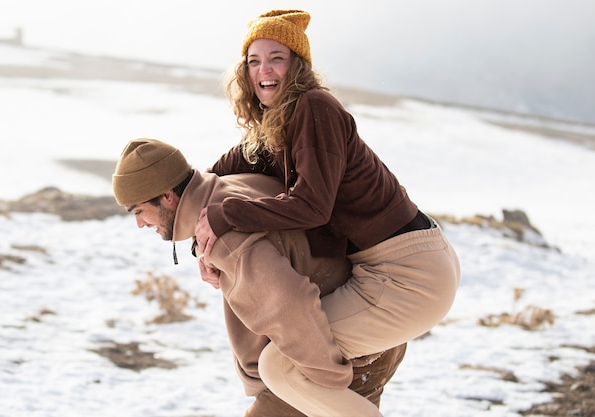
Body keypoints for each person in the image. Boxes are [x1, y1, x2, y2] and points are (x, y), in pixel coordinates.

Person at [194, 9, 461, 416]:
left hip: (410, 273)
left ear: (297, 65)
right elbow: (227, 167)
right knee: (293, 368)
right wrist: (201, 235)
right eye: (253, 60)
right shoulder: (279, 124)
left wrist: (228, 215)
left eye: (276, 58)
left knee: (282, 364)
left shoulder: (314, 107)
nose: (263, 69)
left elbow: (312, 207)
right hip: (387, 268)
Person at [112, 138, 407, 417]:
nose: (139, 224)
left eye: (140, 211)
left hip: (325, 355)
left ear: (167, 196)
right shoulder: (236, 186)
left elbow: (289, 303)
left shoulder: (225, 237)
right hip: (369, 336)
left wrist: (328, 380)